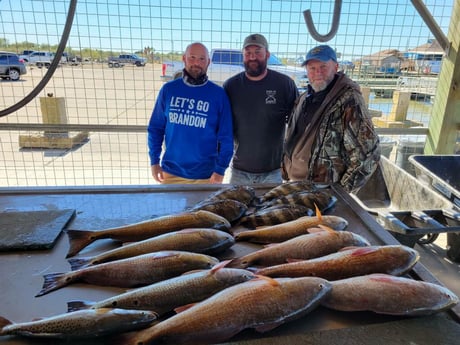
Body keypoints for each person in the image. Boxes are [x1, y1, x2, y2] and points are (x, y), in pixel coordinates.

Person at [282, 45, 380, 193]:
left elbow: (368, 154)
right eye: (312, 68)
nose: (317, 73)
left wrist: (340, 194)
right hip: (293, 184)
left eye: (323, 67)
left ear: (335, 67)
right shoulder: (304, 98)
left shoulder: (349, 100)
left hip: (322, 192)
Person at [148, 42, 233, 184]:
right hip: (171, 172)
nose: (196, 63)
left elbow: (226, 137)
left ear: (208, 62)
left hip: (206, 176)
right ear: (184, 58)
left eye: (201, 59)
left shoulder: (218, 95)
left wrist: (220, 169)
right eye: (192, 57)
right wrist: (154, 161)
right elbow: (155, 129)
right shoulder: (168, 90)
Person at [223, 33, 299, 184]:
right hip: (239, 171)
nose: (252, 57)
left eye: (258, 52)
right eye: (248, 53)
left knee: (272, 209)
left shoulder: (284, 85)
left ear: (267, 54)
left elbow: (297, 125)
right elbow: (222, 127)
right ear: (243, 56)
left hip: (273, 171)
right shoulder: (231, 86)